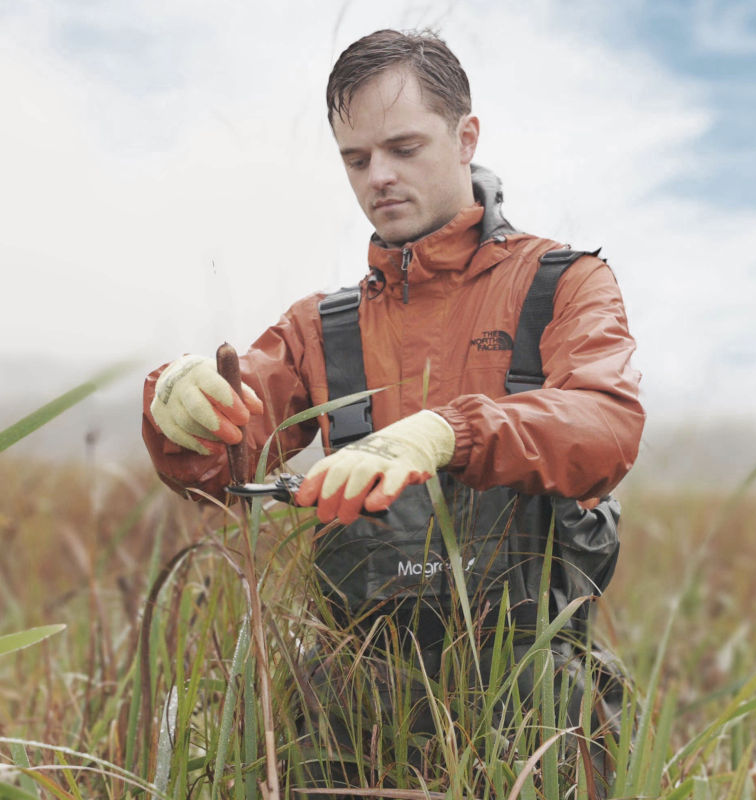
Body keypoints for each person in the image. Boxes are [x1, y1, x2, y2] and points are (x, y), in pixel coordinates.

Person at [143, 28, 644, 794]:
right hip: (349, 723)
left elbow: (606, 425)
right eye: (356, 158)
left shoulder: (565, 284)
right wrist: (175, 407)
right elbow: (219, 465)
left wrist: (450, 430)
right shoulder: (321, 328)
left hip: (539, 720)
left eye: (404, 148)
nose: (379, 176)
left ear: (465, 136)